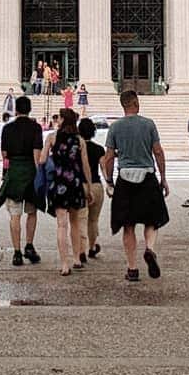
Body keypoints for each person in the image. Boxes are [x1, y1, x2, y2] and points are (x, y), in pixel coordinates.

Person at [101, 88, 169, 282]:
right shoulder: (148, 124)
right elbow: (158, 151)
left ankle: (132, 269)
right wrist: (162, 178)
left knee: (128, 226)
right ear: (136, 103)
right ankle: (150, 249)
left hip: (125, 178)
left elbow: (108, 157)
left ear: (123, 105)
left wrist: (109, 181)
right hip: (147, 176)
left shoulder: (115, 127)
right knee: (152, 220)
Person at [0, 94, 44, 266]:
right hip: (30, 172)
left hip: (14, 172)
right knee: (32, 212)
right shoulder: (36, 127)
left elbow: (4, 155)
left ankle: (17, 252)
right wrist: (38, 175)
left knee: (14, 214)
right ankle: (29, 244)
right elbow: (37, 154)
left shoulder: (7, 128)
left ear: (15, 110)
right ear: (29, 110)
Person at [42, 108, 92, 275]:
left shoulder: (52, 137)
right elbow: (85, 166)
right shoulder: (79, 140)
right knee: (75, 223)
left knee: (61, 225)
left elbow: (42, 160)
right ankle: (76, 258)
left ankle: (64, 264)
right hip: (75, 183)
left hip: (58, 183)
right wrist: (89, 187)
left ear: (63, 120)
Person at [78, 117, 105, 262]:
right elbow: (104, 168)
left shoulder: (77, 148)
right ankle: (92, 247)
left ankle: (81, 249)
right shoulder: (99, 149)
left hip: (80, 185)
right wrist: (109, 183)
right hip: (96, 184)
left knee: (80, 219)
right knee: (93, 220)